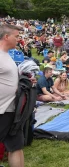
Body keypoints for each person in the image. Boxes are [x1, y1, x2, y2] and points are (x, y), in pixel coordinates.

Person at [0, 24, 26, 167]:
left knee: (16, 146)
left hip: (11, 110)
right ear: (6, 37)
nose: (19, 39)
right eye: (16, 36)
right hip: (1, 110)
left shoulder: (7, 55)